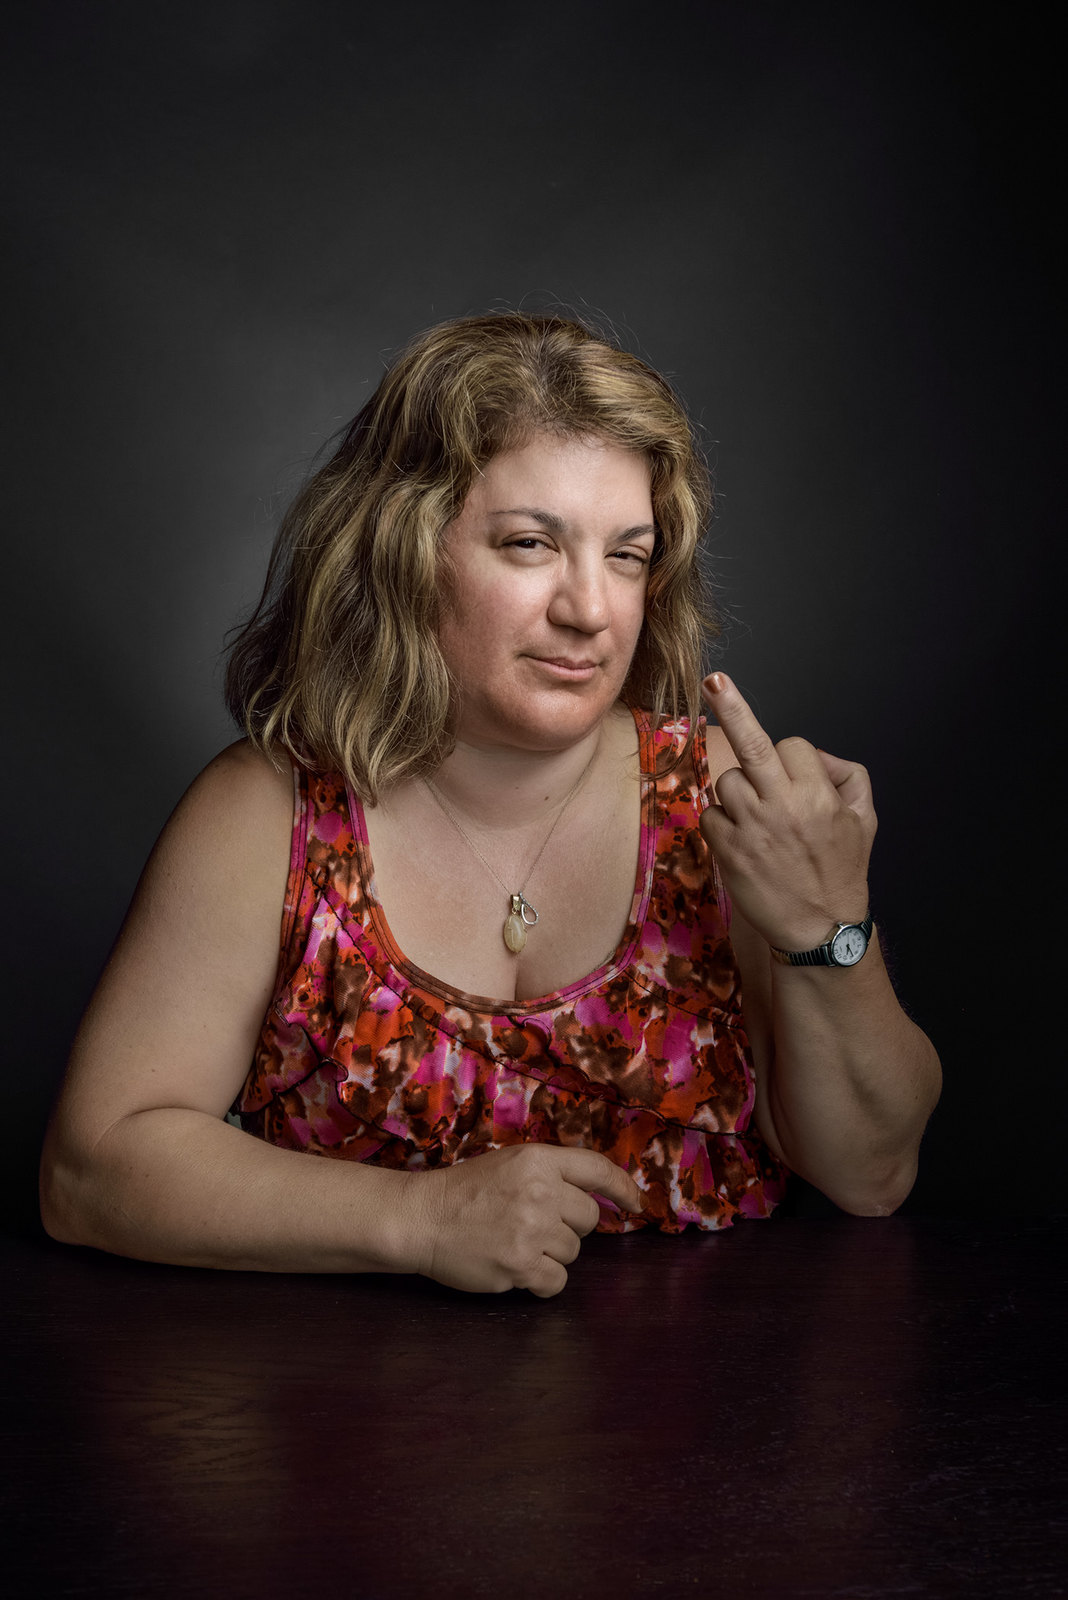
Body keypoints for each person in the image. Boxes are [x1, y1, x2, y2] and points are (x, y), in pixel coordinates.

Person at [39, 311, 941, 1296]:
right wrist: (420, 1219)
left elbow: (872, 1179)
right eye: (528, 544)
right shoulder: (268, 812)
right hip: (344, 1420)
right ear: (405, 549)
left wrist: (827, 928)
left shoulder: (732, 799)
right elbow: (91, 1171)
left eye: (627, 556)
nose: (590, 609)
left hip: (710, 1423)